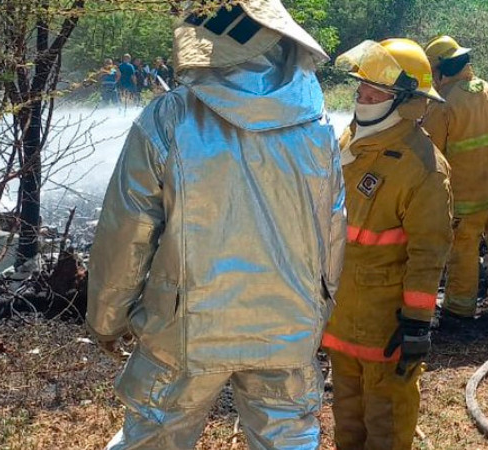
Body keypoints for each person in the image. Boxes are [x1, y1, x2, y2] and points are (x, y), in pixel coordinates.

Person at [86, 1, 342, 449]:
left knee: (155, 439)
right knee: (287, 440)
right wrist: (320, 308)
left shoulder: (167, 118)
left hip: (184, 332)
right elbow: (333, 234)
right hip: (287, 325)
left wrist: (107, 318)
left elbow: (126, 232)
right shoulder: (317, 125)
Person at [323, 38, 452, 450]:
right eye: (360, 88)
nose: (362, 96)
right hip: (340, 316)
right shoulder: (350, 141)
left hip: (385, 325)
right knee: (347, 415)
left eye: (373, 91)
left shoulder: (423, 168)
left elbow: (429, 251)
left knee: (385, 421)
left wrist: (415, 322)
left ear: (404, 99)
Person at [421, 35, 488, 320]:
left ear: (441, 69)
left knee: (463, 250)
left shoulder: (443, 104)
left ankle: (459, 308)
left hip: (466, 197)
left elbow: (430, 152)